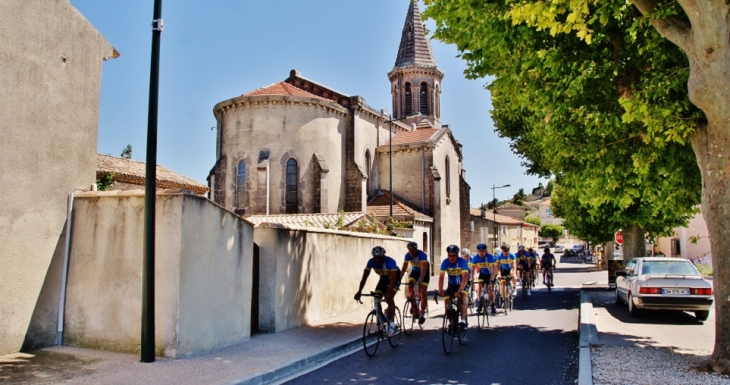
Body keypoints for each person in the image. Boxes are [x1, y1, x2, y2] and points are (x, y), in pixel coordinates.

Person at [355, 246, 401, 336]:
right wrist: (359, 291)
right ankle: (381, 323)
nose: (377, 260)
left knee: (389, 298)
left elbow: (393, 279)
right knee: (376, 298)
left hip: (394, 281)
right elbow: (364, 277)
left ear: (383, 256)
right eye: (375, 257)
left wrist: (388, 293)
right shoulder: (371, 262)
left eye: (379, 257)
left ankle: (392, 325)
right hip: (383, 281)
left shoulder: (390, 262)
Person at [438, 244, 470, 331]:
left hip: (462, 284)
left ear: (457, 255)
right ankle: (451, 322)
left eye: (454, 255)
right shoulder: (445, 262)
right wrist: (440, 290)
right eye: (450, 255)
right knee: (447, 301)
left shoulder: (462, 262)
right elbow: (441, 277)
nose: (452, 258)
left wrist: (459, 290)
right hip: (451, 285)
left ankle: (463, 321)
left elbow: (465, 278)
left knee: (462, 297)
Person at [400, 241, 430, 325]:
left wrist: (421, 280)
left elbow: (424, 269)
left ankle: (423, 313)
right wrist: (399, 278)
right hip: (415, 271)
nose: (411, 252)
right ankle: (413, 304)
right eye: (409, 250)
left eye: (412, 250)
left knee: (423, 290)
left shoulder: (422, 255)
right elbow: (404, 268)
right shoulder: (407, 255)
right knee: (410, 283)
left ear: (416, 249)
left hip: (424, 272)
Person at [471, 243, 498, 316]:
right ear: (477, 251)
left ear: (485, 251)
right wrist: (472, 278)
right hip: (482, 274)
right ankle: (479, 303)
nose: (481, 253)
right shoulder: (475, 258)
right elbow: (473, 269)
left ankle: (493, 306)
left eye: (483, 251)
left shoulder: (490, 257)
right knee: (479, 287)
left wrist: (491, 279)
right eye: (480, 251)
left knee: (490, 289)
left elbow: (494, 269)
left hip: (490, 274)